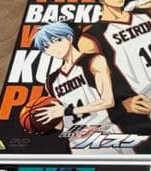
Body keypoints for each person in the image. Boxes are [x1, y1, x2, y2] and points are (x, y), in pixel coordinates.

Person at [78, 0, 151, 137]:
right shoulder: (92, 36)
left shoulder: (146, 13)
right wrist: (122, 104)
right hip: (149, 95)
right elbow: (93, 81)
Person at [33, 22, 127, 152]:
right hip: (76, 140)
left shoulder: (94, 60)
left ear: (69, 38)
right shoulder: (51, 80)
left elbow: (108, 101)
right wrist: (42, 121)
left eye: (57, 41)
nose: (53, 48)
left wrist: (68, 111)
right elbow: (60, 120)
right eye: (47, 47)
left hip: (105, 131)